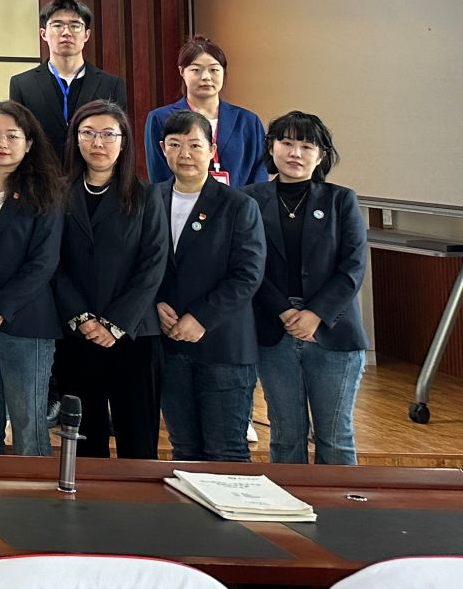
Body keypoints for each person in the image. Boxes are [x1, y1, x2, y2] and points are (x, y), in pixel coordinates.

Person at [249, 111, 368, 464]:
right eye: (286, 143)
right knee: (285, 436)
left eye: (306, 146)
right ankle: (289, 501)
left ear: (321, 155)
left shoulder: (341, 200)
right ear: (271, 148)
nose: (295, 153)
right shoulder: (249, 199)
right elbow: (247, 266)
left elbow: (353, 266)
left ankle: (341, 503)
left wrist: (315, 314)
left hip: (333, 329)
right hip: (274, 329)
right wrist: (284, 311)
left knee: (336, 438)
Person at [53, 101, 167, 459]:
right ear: (75, 139)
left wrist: (115, 323)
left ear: (123, 141)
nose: (97, 142)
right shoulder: (58, 194)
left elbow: (153, 264)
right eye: (88, 133)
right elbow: (51, 263)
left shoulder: (146, 195)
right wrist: (82, 318)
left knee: (138, 441)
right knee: (84, 442)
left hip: (134, 335)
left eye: (108, 134)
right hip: (78, 334)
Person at [153, 108, 266, 462]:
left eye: (194, 145)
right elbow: (138, 266)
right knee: (184, 449)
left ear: (212, 149)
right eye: (175, 144)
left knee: (226, 451)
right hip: (169, 344)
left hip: (223, 347)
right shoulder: (149, 200)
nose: (185, 153)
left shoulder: (239, 205)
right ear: (162, 149)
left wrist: (201, 317)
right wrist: (154, 304)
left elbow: (248, 273)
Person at [0, 101, 65, 457]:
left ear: (29, 143)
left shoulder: (46, 191)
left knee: (28, 428)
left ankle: (34, 496)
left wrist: (0, 307)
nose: (2, 143)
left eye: (12, 136)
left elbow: (43, 262)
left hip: (25, 325)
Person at [7, 0, 128, 160]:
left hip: (92, 173)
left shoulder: (111, 85)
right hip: (40, 173)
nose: (66, 33)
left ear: (86, 34)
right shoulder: (22, 84)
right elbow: (18, 139)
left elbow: (118, 140)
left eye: (75, 26)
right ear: (43, 34)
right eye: (57, 25)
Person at [145, 36, 269, 187]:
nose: (206, 77)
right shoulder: (160, 118)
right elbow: (159, 176)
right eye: (196, 70)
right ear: (182, 71)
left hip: (239, 201)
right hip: (181, 201)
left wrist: (242, 202)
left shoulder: (247, 121)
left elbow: (259, 177)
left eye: (214, 70)